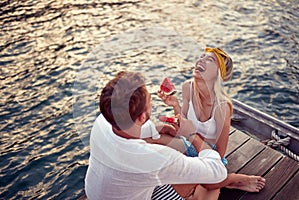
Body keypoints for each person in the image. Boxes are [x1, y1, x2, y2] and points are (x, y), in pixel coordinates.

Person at [84, 71, 228, 200]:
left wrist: (156, 128)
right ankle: (232, 181)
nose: (152, 102)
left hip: (101, 194)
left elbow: (128, 132)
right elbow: (217, 171)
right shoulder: (155, 157)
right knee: (209, 184)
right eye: (150, 100)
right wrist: (192, 134)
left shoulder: (102, 121)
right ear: (141, 117)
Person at [156, 47, 266, 196]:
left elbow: (219, 153)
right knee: (152, 137)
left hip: (210, 155)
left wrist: (193, 163)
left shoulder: (222, 107)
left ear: (217, 74)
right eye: (202, 56)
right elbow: (183, 121)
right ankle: (220, 182)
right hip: (187, 143)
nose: (201, 60)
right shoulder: (188, 87)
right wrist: (175, 105)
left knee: (205, 189)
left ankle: (231, 180)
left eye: (210, 60)